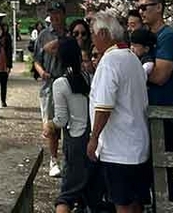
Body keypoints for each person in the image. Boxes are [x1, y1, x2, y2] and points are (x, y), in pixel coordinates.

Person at [87, 10, 152, 213]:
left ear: (104, 34)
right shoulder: (132, 57)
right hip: (138, 144)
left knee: (122, 203)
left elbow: (104, 106)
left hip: (119, 147)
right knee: (135, 202)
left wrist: (94, 137)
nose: (92, 39)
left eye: (92, 34)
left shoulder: (110, 61)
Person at [138, 0, 173, 203]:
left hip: (169, 112)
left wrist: (136, 72)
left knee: (162, 169)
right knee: (153, 169)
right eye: (138, 7)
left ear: (158, 7)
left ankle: (169, 207)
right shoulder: (149, 38)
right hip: (154, 111)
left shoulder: (168, 37)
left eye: (145, 7)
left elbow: (160, 76)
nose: (141, 12)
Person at [52, 36, 103, 213]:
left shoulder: (60, 83)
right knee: (92, 195)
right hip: (92, 140)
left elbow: (61, 120)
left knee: (66, 195)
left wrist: (48, 125)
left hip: (74, 140)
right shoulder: (88, 78)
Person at [34, 1, 68, 177]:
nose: (54, 17)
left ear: (63, 14)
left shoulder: (71, 33)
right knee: (51, 125)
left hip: (69, 83)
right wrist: (41, 72)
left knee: (70, 124)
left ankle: (69, 159)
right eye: (51, 14)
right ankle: (54, 159)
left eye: (57, 13)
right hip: (49, 84)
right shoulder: (44, 35)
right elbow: (37, 59)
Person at [0, 20, 13, 108]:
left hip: (4, 61)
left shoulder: (7, 37)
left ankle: (3, 100)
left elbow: (10, 51)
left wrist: (9, 65)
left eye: (0, 29)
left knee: (4, 83)